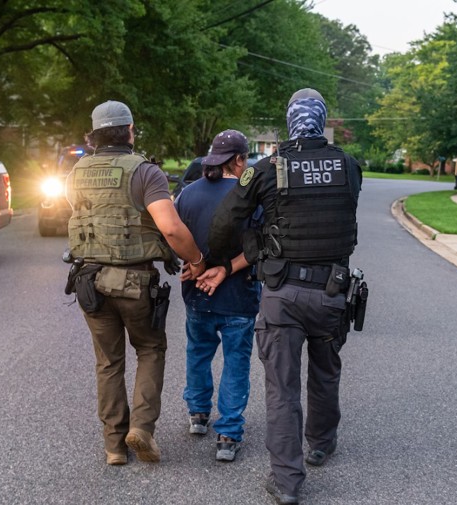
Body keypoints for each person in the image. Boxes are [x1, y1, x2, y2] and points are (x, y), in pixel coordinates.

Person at [206, 89, 362, 504]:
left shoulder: (266, 168)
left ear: (289, 121)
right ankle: (320, 444)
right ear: (323, 119)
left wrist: (217, 258)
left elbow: (226, 220)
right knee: (326, 372)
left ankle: (288, 483)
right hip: (333, 291)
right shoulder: (347, 165)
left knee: (281, 388)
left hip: (282, 293)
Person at [64, 100, 206, 466]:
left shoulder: (75, 173)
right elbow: (171, 228)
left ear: (94, 136)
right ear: (130, 131)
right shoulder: (145, 172)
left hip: (89, 281)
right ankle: (141, 429)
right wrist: (197, 261)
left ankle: (114, 446)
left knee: (108, 363)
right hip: (135, 281)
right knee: (149, 349)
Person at [174, 130, 261, 462]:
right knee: (236, 362)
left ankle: (198, 415)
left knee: (198, 352)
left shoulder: (188, 194)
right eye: (246, 159)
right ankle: (228, 434)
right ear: (238, 160)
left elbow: (172, 234)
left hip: (197, 294)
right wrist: (226, 267)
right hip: (239, 295)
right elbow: (259, 248)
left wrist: (192, 263)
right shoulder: (251, 197)